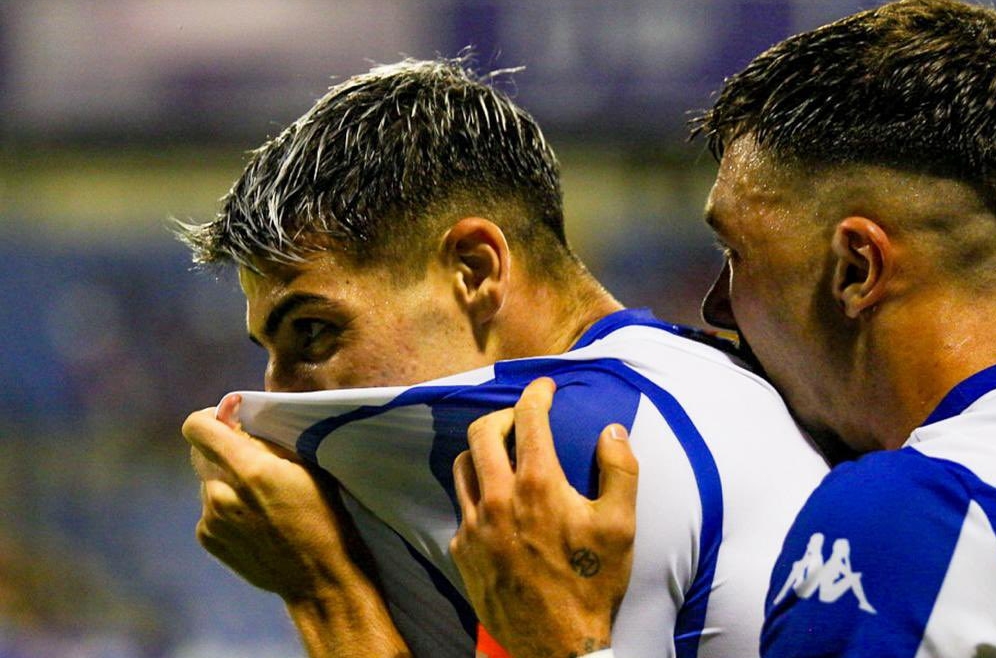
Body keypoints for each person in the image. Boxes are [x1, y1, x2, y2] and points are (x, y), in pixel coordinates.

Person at [177, 58, 829, 657]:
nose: (281, 392)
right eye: (269, 351)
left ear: (474, 269)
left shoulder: (578, 442)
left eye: (315, 333)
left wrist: (324, 592)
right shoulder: (691, 374)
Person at [453, 0, 996, 655]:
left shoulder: (912, 519)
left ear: (857, 269)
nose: (716, 308)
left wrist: (561, 640)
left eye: (737, 255)